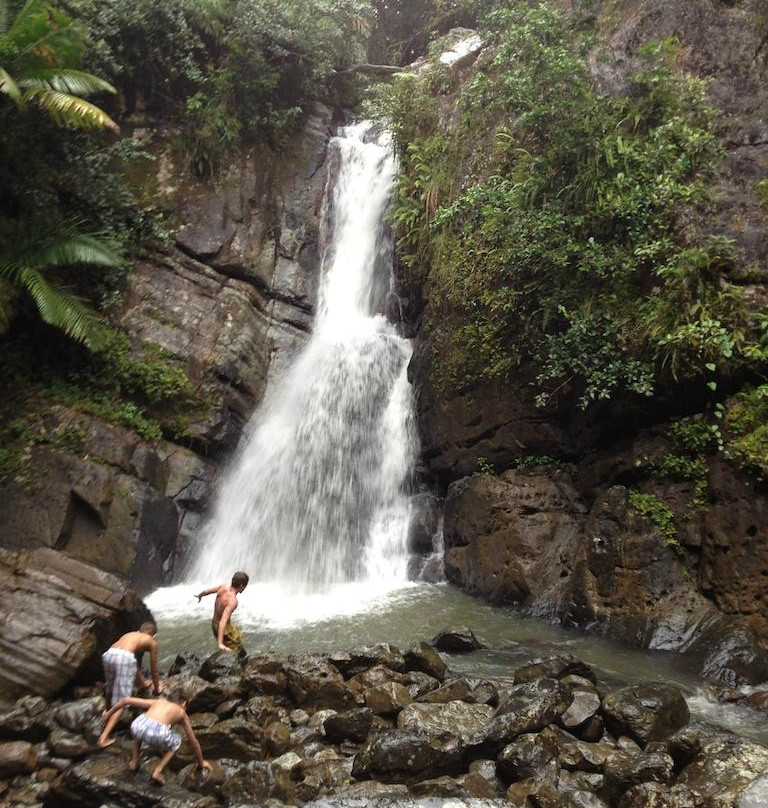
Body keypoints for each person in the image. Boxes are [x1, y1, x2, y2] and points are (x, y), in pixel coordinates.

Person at [103, 686, 212, 785]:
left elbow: (125, 700)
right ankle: (157, 771)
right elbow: (194, 741)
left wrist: (108, 714)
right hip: (157, 733)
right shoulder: (181, 712)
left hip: (137, 726)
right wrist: (201, 763)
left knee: (142, 728)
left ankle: (134, 761)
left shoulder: (159, 701)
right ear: (183, 703)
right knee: (177, 742)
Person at [99, 621, 163, 748]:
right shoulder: (151, 641)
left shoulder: (130, 635)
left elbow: (132, 663)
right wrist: (157, 689)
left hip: (109, 654)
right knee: (123, 701)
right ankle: (104, 738)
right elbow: (154, 670)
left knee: (110, 687)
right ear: (154, 636)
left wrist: (143, 683)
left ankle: (107, 715)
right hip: (123, 658)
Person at [195, 571, 249, 654]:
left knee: (238, 636)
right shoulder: (233, 601)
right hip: (222, 626)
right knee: (237, 647)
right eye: (245, 586)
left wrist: (200, 595)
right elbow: (223, 621)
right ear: (242, 586)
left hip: (215, 623)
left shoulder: (223, 587)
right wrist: (220, 643)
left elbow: (207, 591)